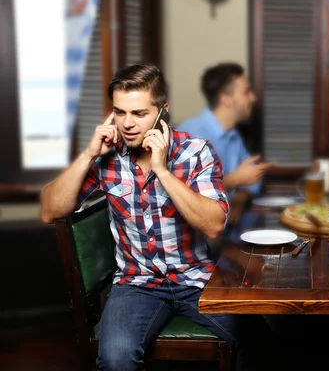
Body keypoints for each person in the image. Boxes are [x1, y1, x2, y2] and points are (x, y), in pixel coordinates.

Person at [40, 64, 273, 371]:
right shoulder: (107, 157)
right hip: (135, 284)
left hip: (196, 279)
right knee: (115, 359)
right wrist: (88, 155)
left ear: (163, 111)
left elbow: (214, 224)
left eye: (139, 113)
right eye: (120, 113)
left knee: (264, 343)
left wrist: (162, 169)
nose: (128, 124)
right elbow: (49, 210)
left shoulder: (196, 151)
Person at [178, 63, 275, 223]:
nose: (253, 98)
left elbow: (253, 178)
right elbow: (185, 195)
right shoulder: (188, 135)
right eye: (246, 92)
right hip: (201, 237)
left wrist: (239, 198)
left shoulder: (234, 135)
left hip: (232, 229)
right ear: (226, 99)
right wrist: (235, 180)